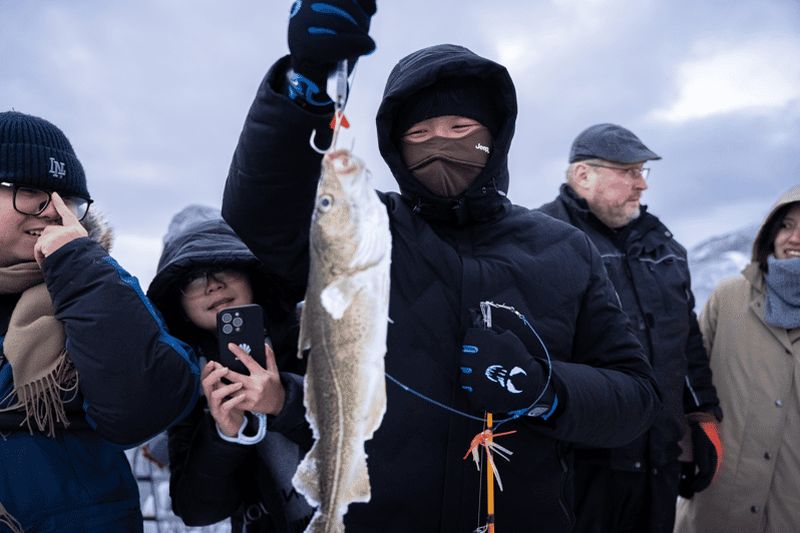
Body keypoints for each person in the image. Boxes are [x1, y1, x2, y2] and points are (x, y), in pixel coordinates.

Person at [221, 2, 661, 531]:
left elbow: (636, 398)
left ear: (494, 136)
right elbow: (259, 218)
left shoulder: (565, 249)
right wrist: (305, 89)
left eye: (460, 127)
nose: (442, 146)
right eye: (420, 135)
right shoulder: (364, 228)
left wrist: (546, 389)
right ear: (394, 148)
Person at [0, 110, 200, 532]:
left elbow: (145, 406)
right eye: (29, 189)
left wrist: (79, 265)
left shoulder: (98, 285)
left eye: (67, 199)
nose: (52, 210)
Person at [538, 124, 723, 533]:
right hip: (577, 463)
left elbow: (686, 342)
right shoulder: (541, 241)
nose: (642, 185)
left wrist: (702, 415)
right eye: (629, 172)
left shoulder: (664, 248)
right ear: (583, 175)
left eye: (643, 172)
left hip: (657, 458)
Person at [146, 205, 313, 533]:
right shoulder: (190, 383)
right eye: (192, 278)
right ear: (177, 304)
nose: (212, 285)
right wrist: (224, 434)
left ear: (252, 273)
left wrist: (284, 401)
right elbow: (196, 511)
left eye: (224, 265)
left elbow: (381, 434)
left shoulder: (313, 332)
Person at [674, 185, 800, 533]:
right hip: (719, 500)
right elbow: (688, 382)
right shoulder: (728, 299)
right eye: (786, 225)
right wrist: (686, 455)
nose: (794, 238)